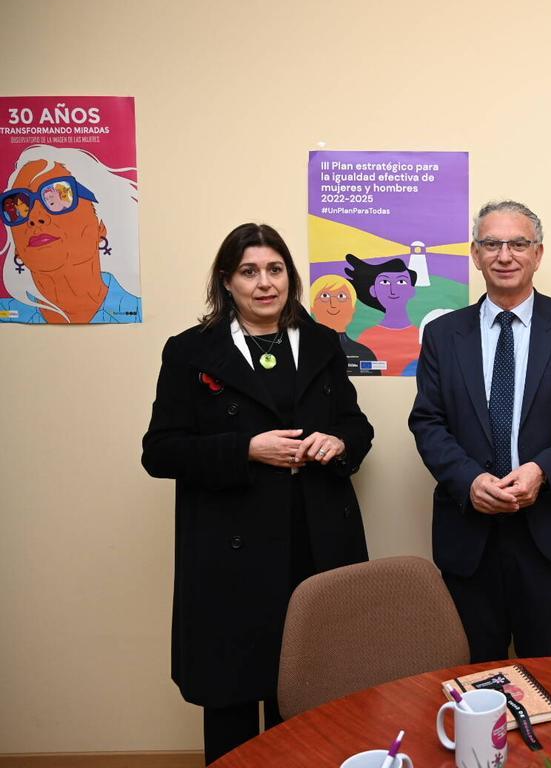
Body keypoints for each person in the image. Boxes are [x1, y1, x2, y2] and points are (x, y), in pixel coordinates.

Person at [142, 223, 373, 764]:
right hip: (231, 554)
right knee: (234, 700)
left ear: (289, 277)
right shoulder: (190, 351)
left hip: (314, 543)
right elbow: (159, 452)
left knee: (312, 697)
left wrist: (338, 442)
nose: (264, 283)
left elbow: (356, 426)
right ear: (227, 281)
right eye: (249, 272)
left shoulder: (321, 342)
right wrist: (246, 449)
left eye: (275, 270)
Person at [408, 199, 551, 661]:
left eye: (518, 244)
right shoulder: (443, 334)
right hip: (470, 532)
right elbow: (427, 421)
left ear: (537, 254)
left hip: (550, 529)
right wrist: (470, 481)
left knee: (547, 668)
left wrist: (541, 471)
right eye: (492, 244)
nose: (505, 255)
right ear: (475, 254)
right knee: (475, 672)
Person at [0, 144, 140, 324]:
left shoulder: (134, 308)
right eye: (17, 208)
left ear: (100, 224)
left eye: (59, 197)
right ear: (16, 248)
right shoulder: (6, 312)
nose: (35, 217)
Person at [344, 253, 421, 376]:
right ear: (373, 290)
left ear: (411, 290)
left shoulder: (422, 337)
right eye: (385, 282)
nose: (393, 290)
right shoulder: (366, 338)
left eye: (401, 282)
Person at [309, 274, 380, 375]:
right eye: (325, 296)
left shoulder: (365, 354)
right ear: (312, 307)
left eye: (341, 296)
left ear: (353, 308)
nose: (333, 304)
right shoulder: (305, 351)